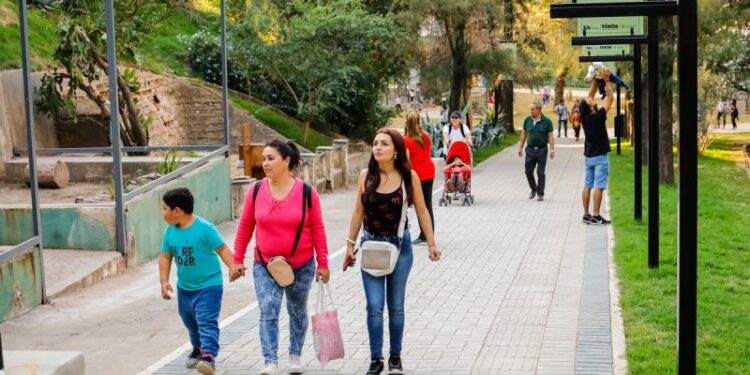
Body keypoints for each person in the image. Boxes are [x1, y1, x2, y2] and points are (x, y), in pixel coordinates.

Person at [343, 128, 442, 375]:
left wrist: (431, 243)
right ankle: (376, 359)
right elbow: (358, 212)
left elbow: (421, 211)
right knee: (374, 305)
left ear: (396, 150)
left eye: (384, 144)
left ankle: (395, 358)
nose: (377, 147)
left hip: (400, 247)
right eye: (375, 143)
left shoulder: (409, 177)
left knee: (395, 305)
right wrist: (349, 245)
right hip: (371, 247)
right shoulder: (366, 176)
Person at [233, 139, 330, 375]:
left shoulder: (307, 193)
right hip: (265, 264)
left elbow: (318, 228)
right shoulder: (255, 191)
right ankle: (270, 360)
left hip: (301, 264)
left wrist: (324, 262)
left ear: (286, 161)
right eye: (264, 158)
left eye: (271, 158)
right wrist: (238, 258)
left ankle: (295, 355)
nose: (265, 163)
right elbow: (245, 225)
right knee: (268, 308)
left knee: (297, 310)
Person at [159, 187, 244, 375]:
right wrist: (163, 281)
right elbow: (165, 256)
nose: (162, 213)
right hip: (185, 288)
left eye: (164, 208)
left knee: (206, 321)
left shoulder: (205, 228)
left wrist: (233, 266)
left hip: (209, 286)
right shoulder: (169, 232)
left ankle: (208, 356)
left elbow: (222, 249)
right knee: (189, 320)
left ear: (177, 211)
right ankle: (198, 347)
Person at [579, 72, 614, 225]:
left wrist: (595, 80)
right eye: (591, 102)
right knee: (599, 186)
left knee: (588, 184)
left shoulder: (584, 116)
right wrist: (607, 81)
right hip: (600, 157)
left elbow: (590, 96)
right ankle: (596, 215)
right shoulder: (598, 117)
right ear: (592, 108)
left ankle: (586, 214)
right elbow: (610, 98)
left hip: (588, 157)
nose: (591, 100)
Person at [403, 111, 436, 245]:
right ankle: (429, 234)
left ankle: (423, 235)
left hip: (417, 174)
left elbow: (406, 159)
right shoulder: (427, 136)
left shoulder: (406, 140)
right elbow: (428, 150)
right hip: (429, 170)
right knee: (428, 204)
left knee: (419, 205)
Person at [518, 100, 555, 202]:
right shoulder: (527, 120)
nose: (531, 111)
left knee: (540, 172)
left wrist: (552, 149)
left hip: (542, 150)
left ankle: (540, 193)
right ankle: (534, 189)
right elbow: (524, 133)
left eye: (533, 109)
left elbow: (550, 136)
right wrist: (520, 147)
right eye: (530, 109)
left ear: (539, 110)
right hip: (530, 149)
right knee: (528, 171)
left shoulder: (547, 121)